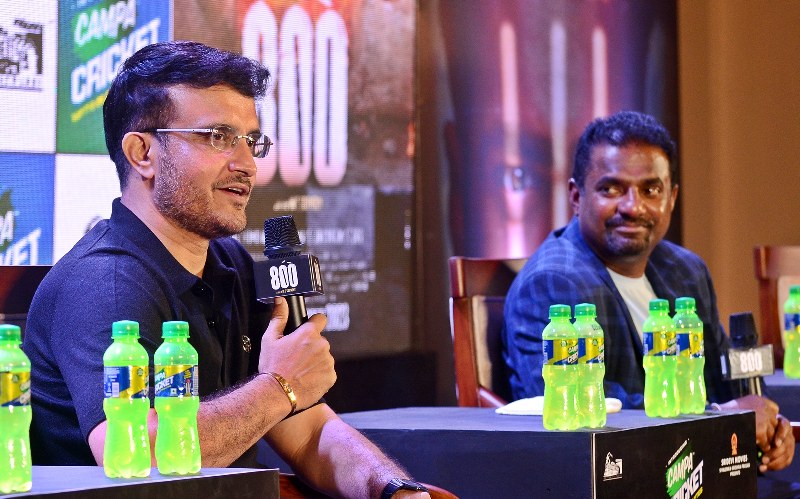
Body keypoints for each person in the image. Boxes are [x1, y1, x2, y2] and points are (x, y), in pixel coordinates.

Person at [23, 41, 430, 499]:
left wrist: (394, 490)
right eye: (218, 137)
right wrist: (280, 386)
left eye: (250, 141)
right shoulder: (105, 283)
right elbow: (143, 456)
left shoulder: (229, 261)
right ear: (142, 154)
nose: (247, 165)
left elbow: (308, 433)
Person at [502, 110, 794, 472]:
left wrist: (769, 426)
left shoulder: (685, 270)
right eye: (611, 189)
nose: (633, 206)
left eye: (650, 190)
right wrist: (721, 415)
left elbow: (722, 377)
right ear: (576, 197)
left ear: (671, 198)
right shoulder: (553, 282)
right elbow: (575, 405)